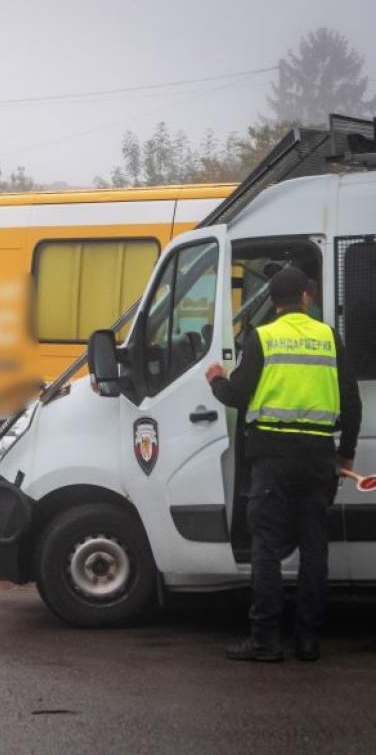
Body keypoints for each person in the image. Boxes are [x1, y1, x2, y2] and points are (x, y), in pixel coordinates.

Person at [206, 266, 361, 662]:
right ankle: (308, 640)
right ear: (306, 298)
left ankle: (265, 640)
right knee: (314, 551)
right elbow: (352, 402)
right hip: (318, 461)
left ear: (273, 303)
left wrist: (215, 379)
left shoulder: (263, 337)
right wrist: (345, 453)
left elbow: (238, 396)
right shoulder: (329, 338)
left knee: (267, 549)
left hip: (273, 461)